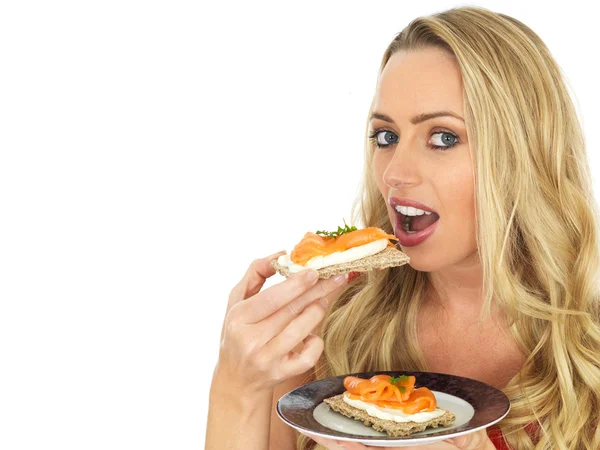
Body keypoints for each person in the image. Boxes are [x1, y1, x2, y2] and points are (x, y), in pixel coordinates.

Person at [205, 5, 600, 450]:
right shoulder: (327, 322)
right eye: (386, 137)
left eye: (443, 138)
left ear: (523, 154)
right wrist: (237, 383)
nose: (395, 173)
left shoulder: (589, 353)